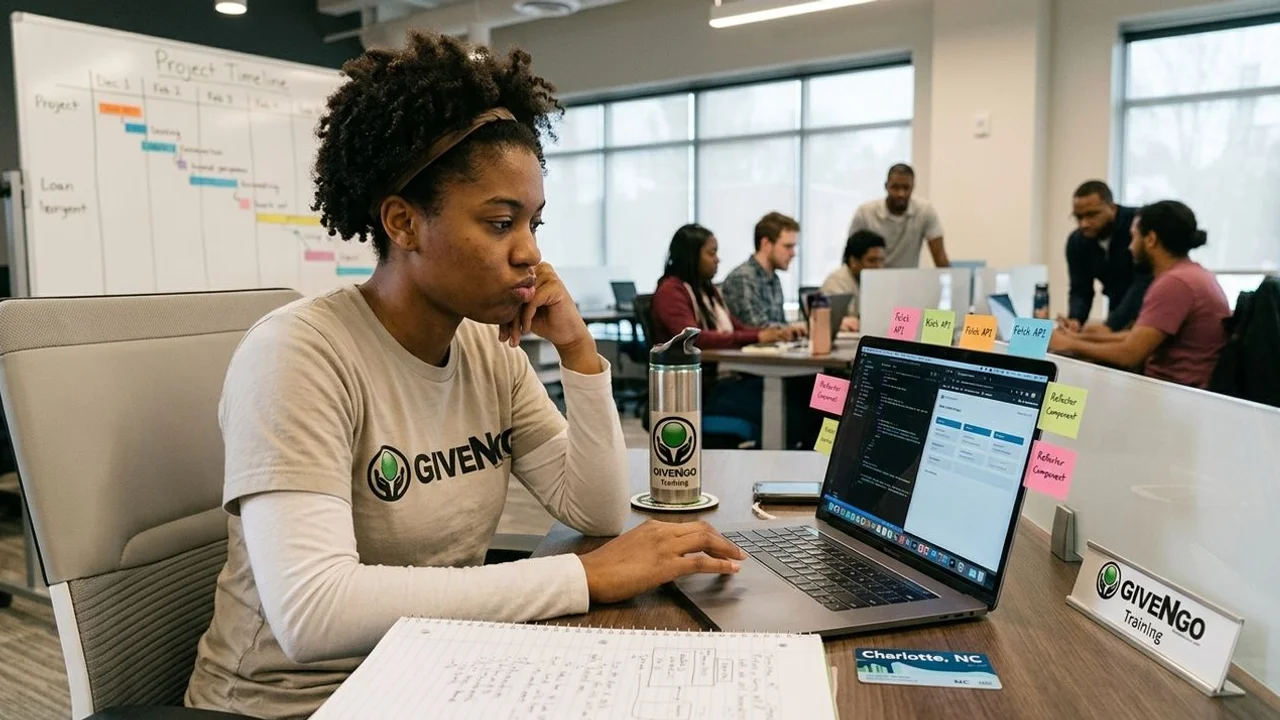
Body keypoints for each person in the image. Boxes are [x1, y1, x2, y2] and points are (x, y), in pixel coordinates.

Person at [185, 33, 746, 719]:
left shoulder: (488, 353)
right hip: (293, 706)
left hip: (433, 674)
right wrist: (582, 577)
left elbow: (594, 510)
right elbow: (313, 613)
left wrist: (578, 352)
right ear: (403, 223)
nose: (530, 253)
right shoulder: (299, 355)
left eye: (534, 223)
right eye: (500, 221)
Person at [1049, 201, 1229, 389]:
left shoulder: (1175, 284)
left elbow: (1129, 353)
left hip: (1172, 394)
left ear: (1150, 239)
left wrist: (1069, 345)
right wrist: (1076, 338)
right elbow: (1134, 337)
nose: (1130, 247)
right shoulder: (1190, 274)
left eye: (1133, 237)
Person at [651, 224, 799, 444]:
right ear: (691, 256)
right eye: (711, 253)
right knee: (793, 403)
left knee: (803, 390)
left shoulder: (706, 290)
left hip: (726, 381)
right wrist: (758, 337)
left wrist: (770, 333)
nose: (717, 259)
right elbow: (694, 339)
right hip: (703, 391)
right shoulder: (671, 291)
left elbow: (735, 327)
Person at [1062, 180, 1151, 334]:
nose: (1084, 224)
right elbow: (1080, 289)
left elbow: (1143, 281)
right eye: (1078, 217)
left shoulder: (1138, 225)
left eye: (1091, 215)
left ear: (1112, 207)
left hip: (1150, 311)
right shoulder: (1077, 242)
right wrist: (1075, 319)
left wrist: (1111, 325)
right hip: (1116, 307)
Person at [848, 164, 948, 268]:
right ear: (886, 186)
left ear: (913, 187)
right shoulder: (865, 213)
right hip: (872, 279)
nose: (901, 193)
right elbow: (851, 256)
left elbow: (940, 257)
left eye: (906, 187)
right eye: (895, 187)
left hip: (908, 280)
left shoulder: (924, 211)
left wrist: (951, 282)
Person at [721, 212, 802, 329]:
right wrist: (791, 329)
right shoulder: (743, 278)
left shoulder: (774, 279)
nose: (793, 253)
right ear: (766, 244)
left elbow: (779, 325)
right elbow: (756, 328)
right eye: (788, 246)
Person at [820, 230, 887, 332]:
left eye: (881, 260)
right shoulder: (837, 282)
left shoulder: (871, 283)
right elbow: (843, 322)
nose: (878, 267)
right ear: (854, 262)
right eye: (872, 261)